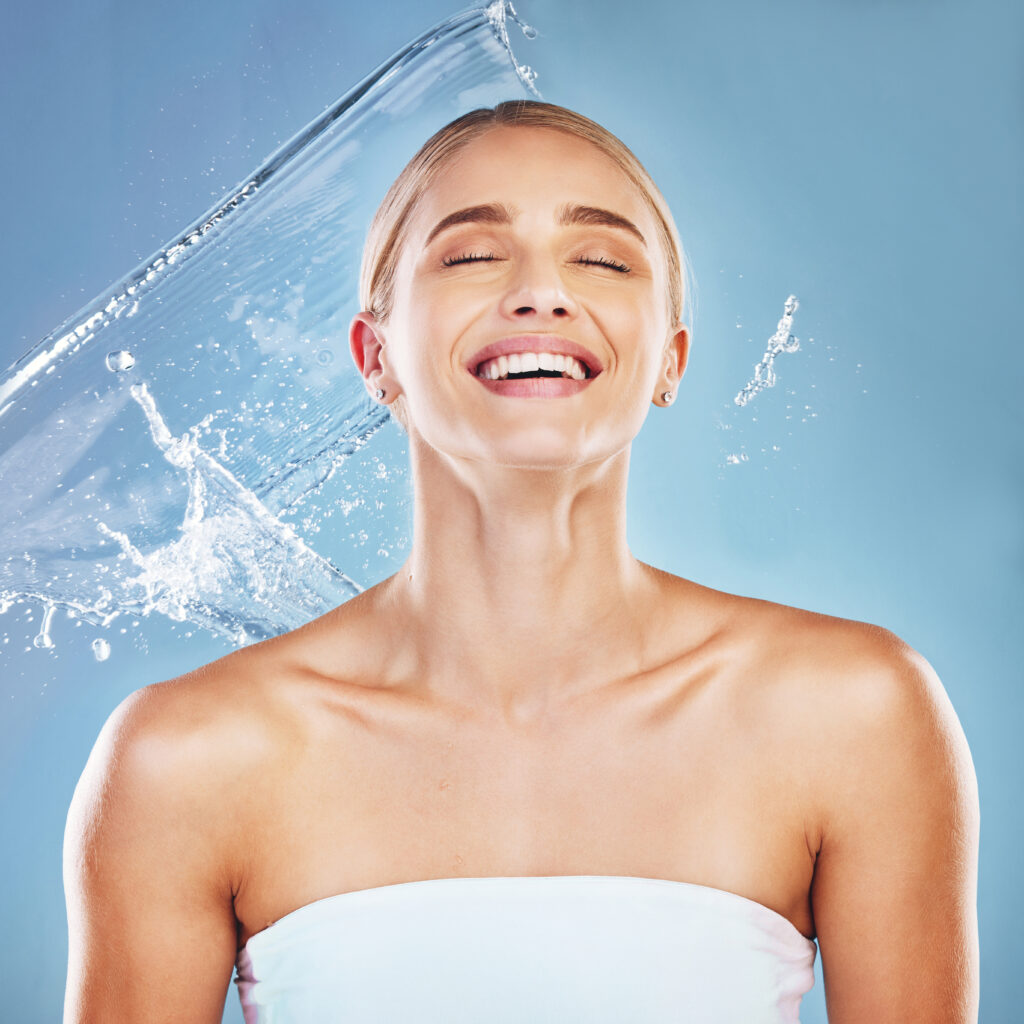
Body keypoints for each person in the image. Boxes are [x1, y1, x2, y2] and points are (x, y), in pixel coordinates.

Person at [62, 100, 979, 1023]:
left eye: (604, 260)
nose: (542, 292)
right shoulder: (188, 759)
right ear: (375, 356)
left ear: (670, 359)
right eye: (470, 255)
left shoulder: (853, 716)